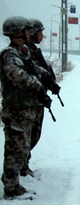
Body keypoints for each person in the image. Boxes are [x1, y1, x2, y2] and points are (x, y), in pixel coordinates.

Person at [0, 16, 51, 199]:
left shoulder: (22, 52)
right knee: (15, 150)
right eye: (26, 30)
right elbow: (18, 75)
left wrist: (47, 79)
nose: (30, 33)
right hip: (16, 111)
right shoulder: (10, 54)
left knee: (21, 148)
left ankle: (12, 183)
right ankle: (11, 189)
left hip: (24, 109)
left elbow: (34, 69)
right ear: (18, 32)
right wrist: (37, 85)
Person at [20, 18, 60, 178]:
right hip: (29, 101)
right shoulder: (24, 51)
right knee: (26, 137)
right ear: (30, 33)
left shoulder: (33, 51)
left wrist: (50, 84)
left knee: (32, 135)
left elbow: (41, 71)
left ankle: (24, 165)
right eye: (40, 32)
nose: (42, 36)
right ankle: (20, 169)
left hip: (36, 99)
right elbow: (29, 76)